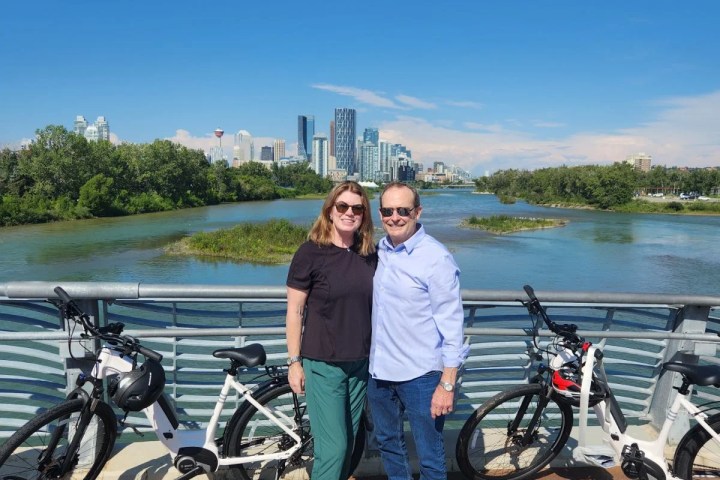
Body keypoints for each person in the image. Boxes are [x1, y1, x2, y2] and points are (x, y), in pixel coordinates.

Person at [367, 181, 468, 480]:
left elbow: (452, 326)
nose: (394, 217)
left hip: (422, 376)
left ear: (417, 211)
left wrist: (447, 384)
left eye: (403, 210)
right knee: (388, 444)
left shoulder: (436, 258)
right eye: (387, 210)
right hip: (379, 373)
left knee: (430, 454)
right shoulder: (379, 250)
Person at [285, 181, 377, 480]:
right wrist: (294, 362)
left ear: (364, 214)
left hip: (359, 364)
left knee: (349, 445)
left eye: (357, 208)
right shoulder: (310, 253)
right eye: (343, 206)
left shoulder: (369, 254)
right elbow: (295, 311)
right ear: (330, 210)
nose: (349, 213)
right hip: (323, 363)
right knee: (333, 447)